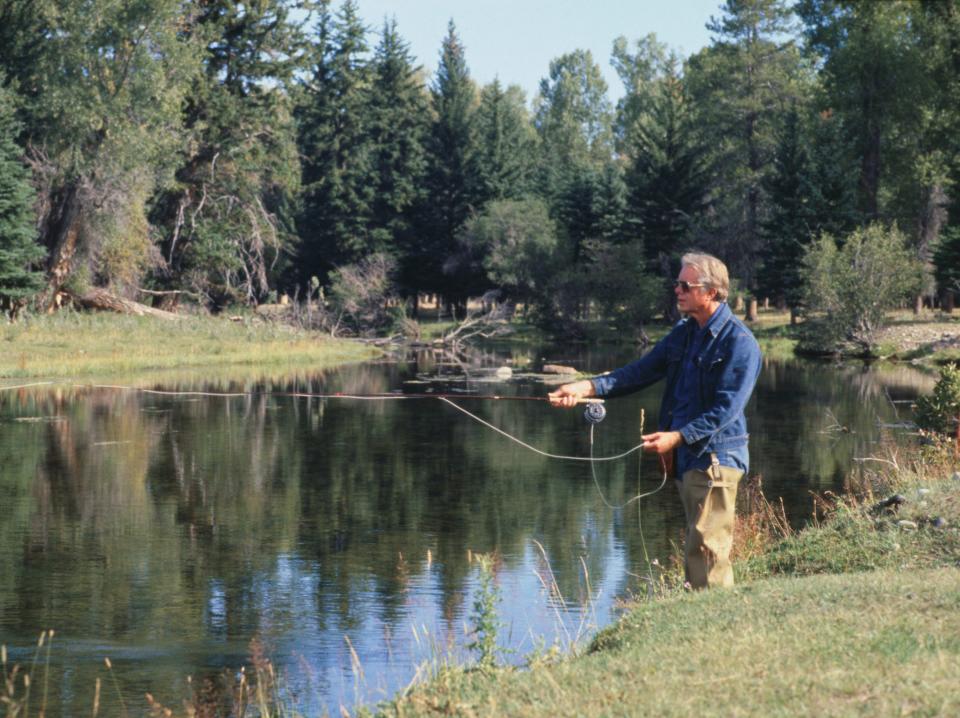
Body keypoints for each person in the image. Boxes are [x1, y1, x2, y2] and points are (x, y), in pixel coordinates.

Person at [548, 252, 762, 589]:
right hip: (688, 459)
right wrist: (586, 386)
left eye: (685, 285)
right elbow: (639, 373)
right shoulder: (685, 332)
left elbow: (726, 410)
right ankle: (699, 620)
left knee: (709, 546)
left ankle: (718, 624)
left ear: (711, 292)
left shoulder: (740, 343)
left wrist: (677, 437)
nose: (676, 290)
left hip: (718, 459)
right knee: (696, 543)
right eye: (677, 284)